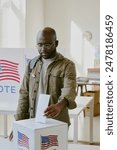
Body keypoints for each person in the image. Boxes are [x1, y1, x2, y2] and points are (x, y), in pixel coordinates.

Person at [9, 27, 77, 140]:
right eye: (39, 45)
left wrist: (59, 105)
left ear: (56, 43)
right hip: (33, 121)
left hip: (57, 122)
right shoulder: (32, 64)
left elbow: (69, 89)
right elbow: (24, 94)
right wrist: (18, 123)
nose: (43, 49)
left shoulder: (67, 65)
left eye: (47, 45)